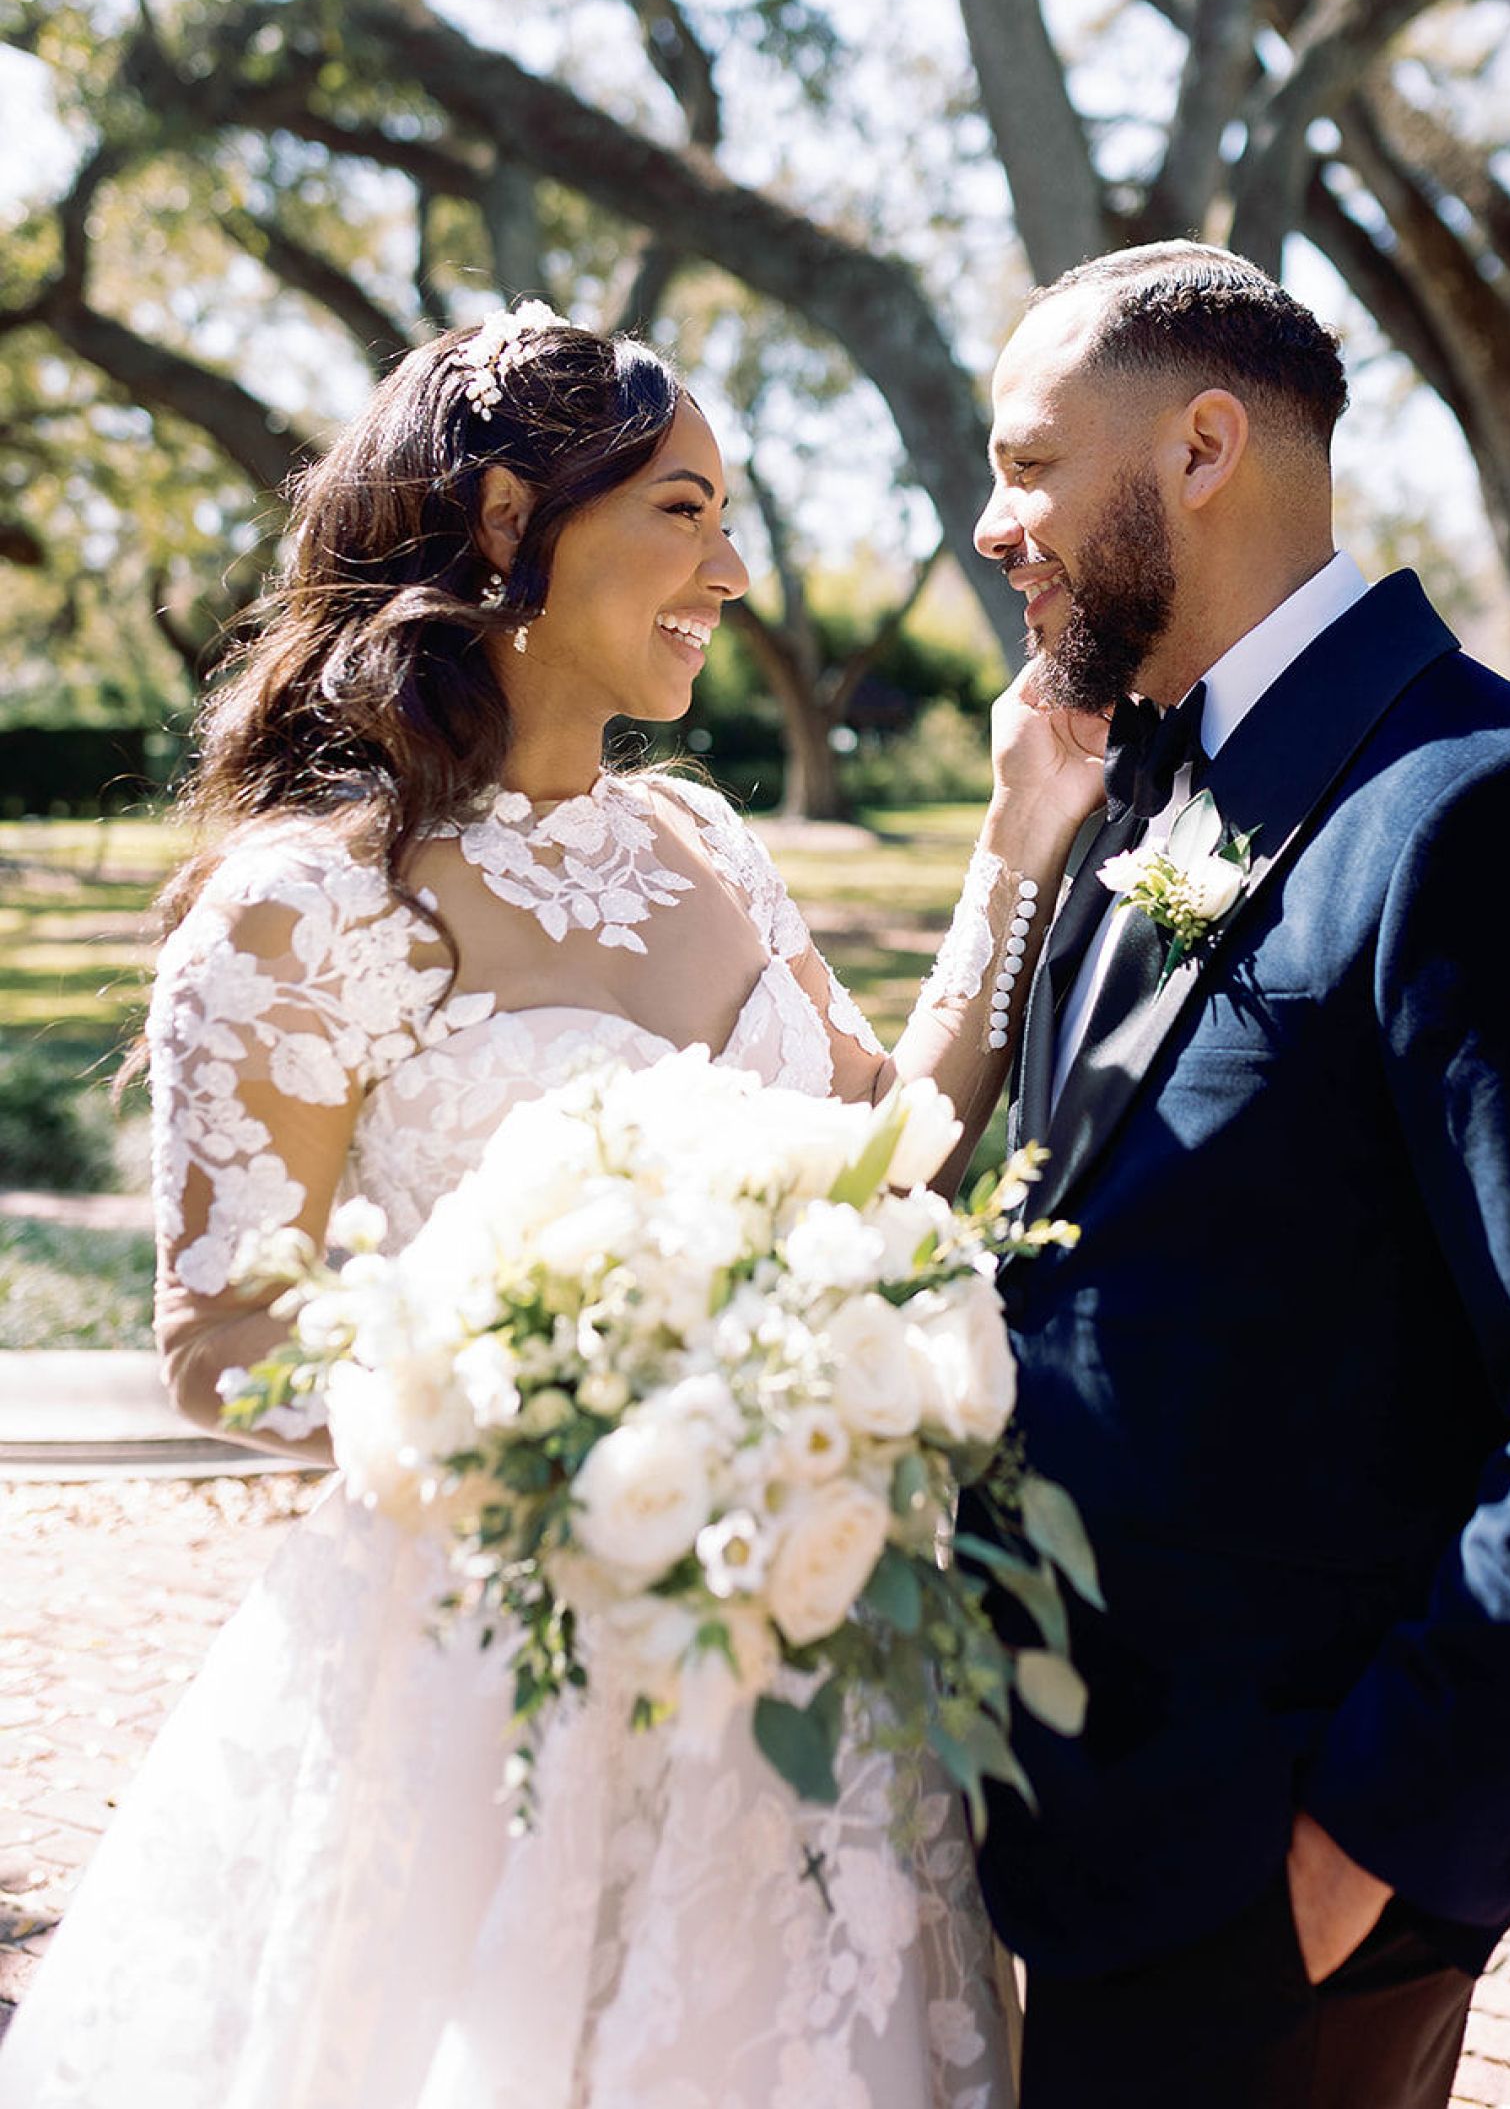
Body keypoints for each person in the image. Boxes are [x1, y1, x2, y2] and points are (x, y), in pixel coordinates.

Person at [0, 303, 1103, 2109]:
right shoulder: (298, 910)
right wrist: (569, 1397)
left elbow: (890, 1152)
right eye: (686, 510)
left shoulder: (702, 843)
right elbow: (225, 1345)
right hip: (480, 1702)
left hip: (791, 1660)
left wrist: (1017, 836)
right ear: (510, 518)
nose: (734, 571)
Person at [970, 240, 1510, 2109]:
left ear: (1199, 447)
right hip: (1078, 1822)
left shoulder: (1498, 814)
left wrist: (1355, 1870)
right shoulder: (1141, 791)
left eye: (1028, 463)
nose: (990, 522)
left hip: (1276, 1894)